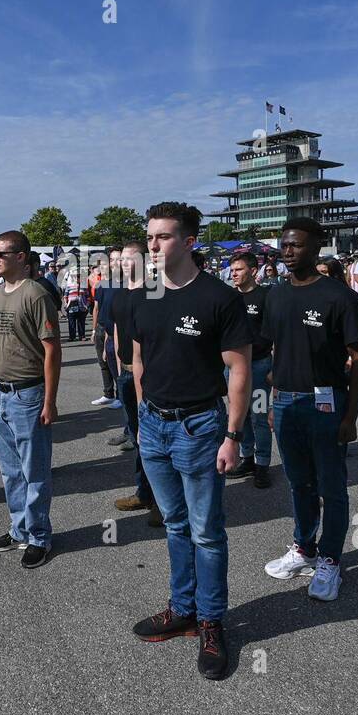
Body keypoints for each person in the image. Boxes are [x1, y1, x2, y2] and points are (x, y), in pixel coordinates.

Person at [129, 202, 251, 681]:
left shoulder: (218, 298)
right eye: (150, 237)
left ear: (189, 242)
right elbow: (138, 359)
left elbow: (238, 370)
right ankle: (182, 608)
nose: (152, 246)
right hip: (154, 426)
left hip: (200, 428)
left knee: (206, 531)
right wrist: (141, 416)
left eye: (162, 237)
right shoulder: (143, 295)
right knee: (175, 525)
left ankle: (211, 621)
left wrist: (233, 436)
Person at [260, 218, 358, 601]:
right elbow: (274, 350)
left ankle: (331, 560)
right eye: (284, 245)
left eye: (296, 245)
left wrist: (351, 416)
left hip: (327, 402)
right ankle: (304, 548)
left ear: (317, 246)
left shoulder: (338, 297)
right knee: (298, 482)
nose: (288, 252)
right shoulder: (275, 294)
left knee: (332, 487)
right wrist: (275, 400)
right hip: (287, 401)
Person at [0, 229, 62, 568]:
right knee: (10, 470)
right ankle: (19, 530)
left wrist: (50, 400)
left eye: (3, 253)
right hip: (0, 393)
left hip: (29, 394)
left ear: (21, 257)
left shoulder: (36, 294)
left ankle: (39, 536)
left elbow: (52, 350)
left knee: (35, 471)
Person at [110, 239, 161, 525]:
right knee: (137, 435)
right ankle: (144, 492)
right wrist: (120, 369)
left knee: (153, 438)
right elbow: (118, 331)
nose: (122, 263)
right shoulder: (119, 295)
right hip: (127, 373)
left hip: (151, 375)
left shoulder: (155, 290)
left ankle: (161, 501)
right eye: (120, 259)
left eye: (128, 258)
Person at [225, 251, 273, 489]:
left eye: (239, 270)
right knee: (239, 416)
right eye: (232, 270)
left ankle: (263, 464)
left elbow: (276, 334)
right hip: (233, 369)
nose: (234, 274)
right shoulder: (229, 297)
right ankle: (248, 459)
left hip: (259, 366)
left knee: (259, 417)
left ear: (253, 271)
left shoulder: (266, 296)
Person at [90, 247, 122, 408]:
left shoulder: (126, 283)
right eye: (113, 260)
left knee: (117, 365)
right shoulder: (103, 284)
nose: (115, 263)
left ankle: (120, 396)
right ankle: (108, 394)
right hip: (102, 328)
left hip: (117, 330)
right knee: (103, 363)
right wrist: (94, 329)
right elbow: (96, 308)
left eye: (119, 259)